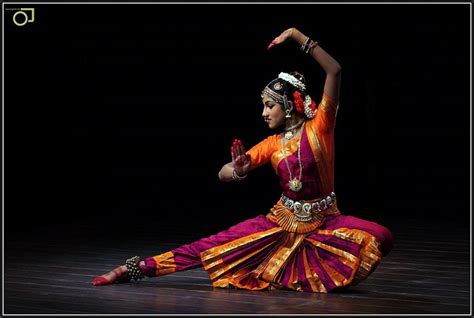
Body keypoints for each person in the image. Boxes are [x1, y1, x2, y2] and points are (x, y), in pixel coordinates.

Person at [92, 27, 394, 293]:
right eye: (263, 105)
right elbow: (222, 173)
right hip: (281, 220)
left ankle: (305, 272)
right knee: (211, 245)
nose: (264, 112)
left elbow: (335, 71)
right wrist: (236, 171)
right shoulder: (272, 144)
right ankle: (136, 269)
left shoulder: (321, 127)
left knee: (381, 236)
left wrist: (296, 36)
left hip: (326, 220)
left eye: (269, 105)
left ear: (289, 106)